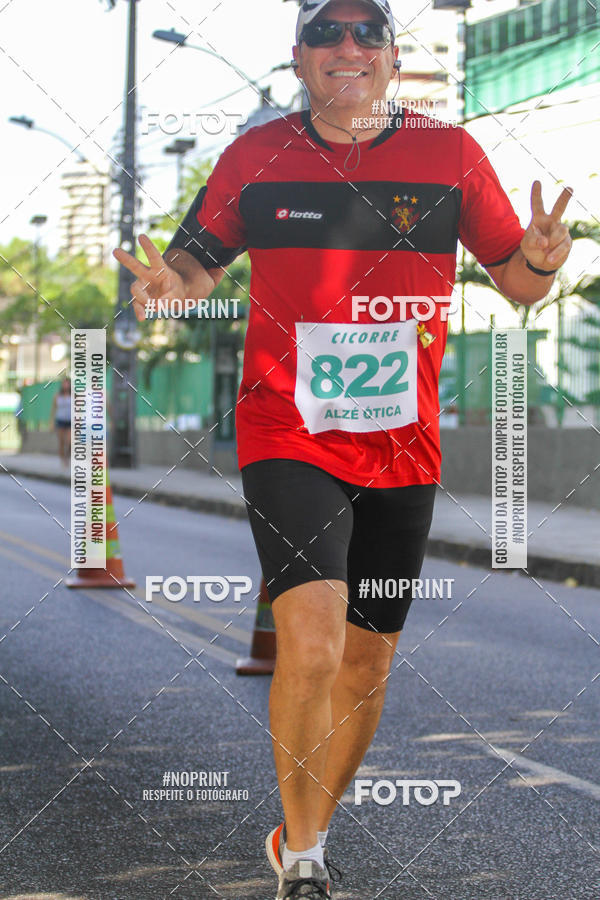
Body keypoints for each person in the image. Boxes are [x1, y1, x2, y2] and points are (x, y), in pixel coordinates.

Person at [114, 1, 573, 895]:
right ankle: (308, 863)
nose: (348, 48)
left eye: (367, 33)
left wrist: (546, 261)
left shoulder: (451, 153)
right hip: (286, 428)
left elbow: (515, 283)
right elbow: (193, 270)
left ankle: (304, 831)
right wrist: (167, 291)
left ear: (394, 57)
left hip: (404, 445)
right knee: (314, 645)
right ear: (300, 59)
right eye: (327, 34)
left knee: (369, 661)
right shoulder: (257, 156)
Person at [49, 377, 72, 468]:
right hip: (60, 420)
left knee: (70, 442)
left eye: (67, 383)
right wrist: (51, 422)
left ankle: (67, 457)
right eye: (64, 383)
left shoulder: (74, 395)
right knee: (61, 442)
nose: (66, 385)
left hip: (70, 421)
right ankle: (63, 460)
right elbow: (53, 409)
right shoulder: (57, 396)